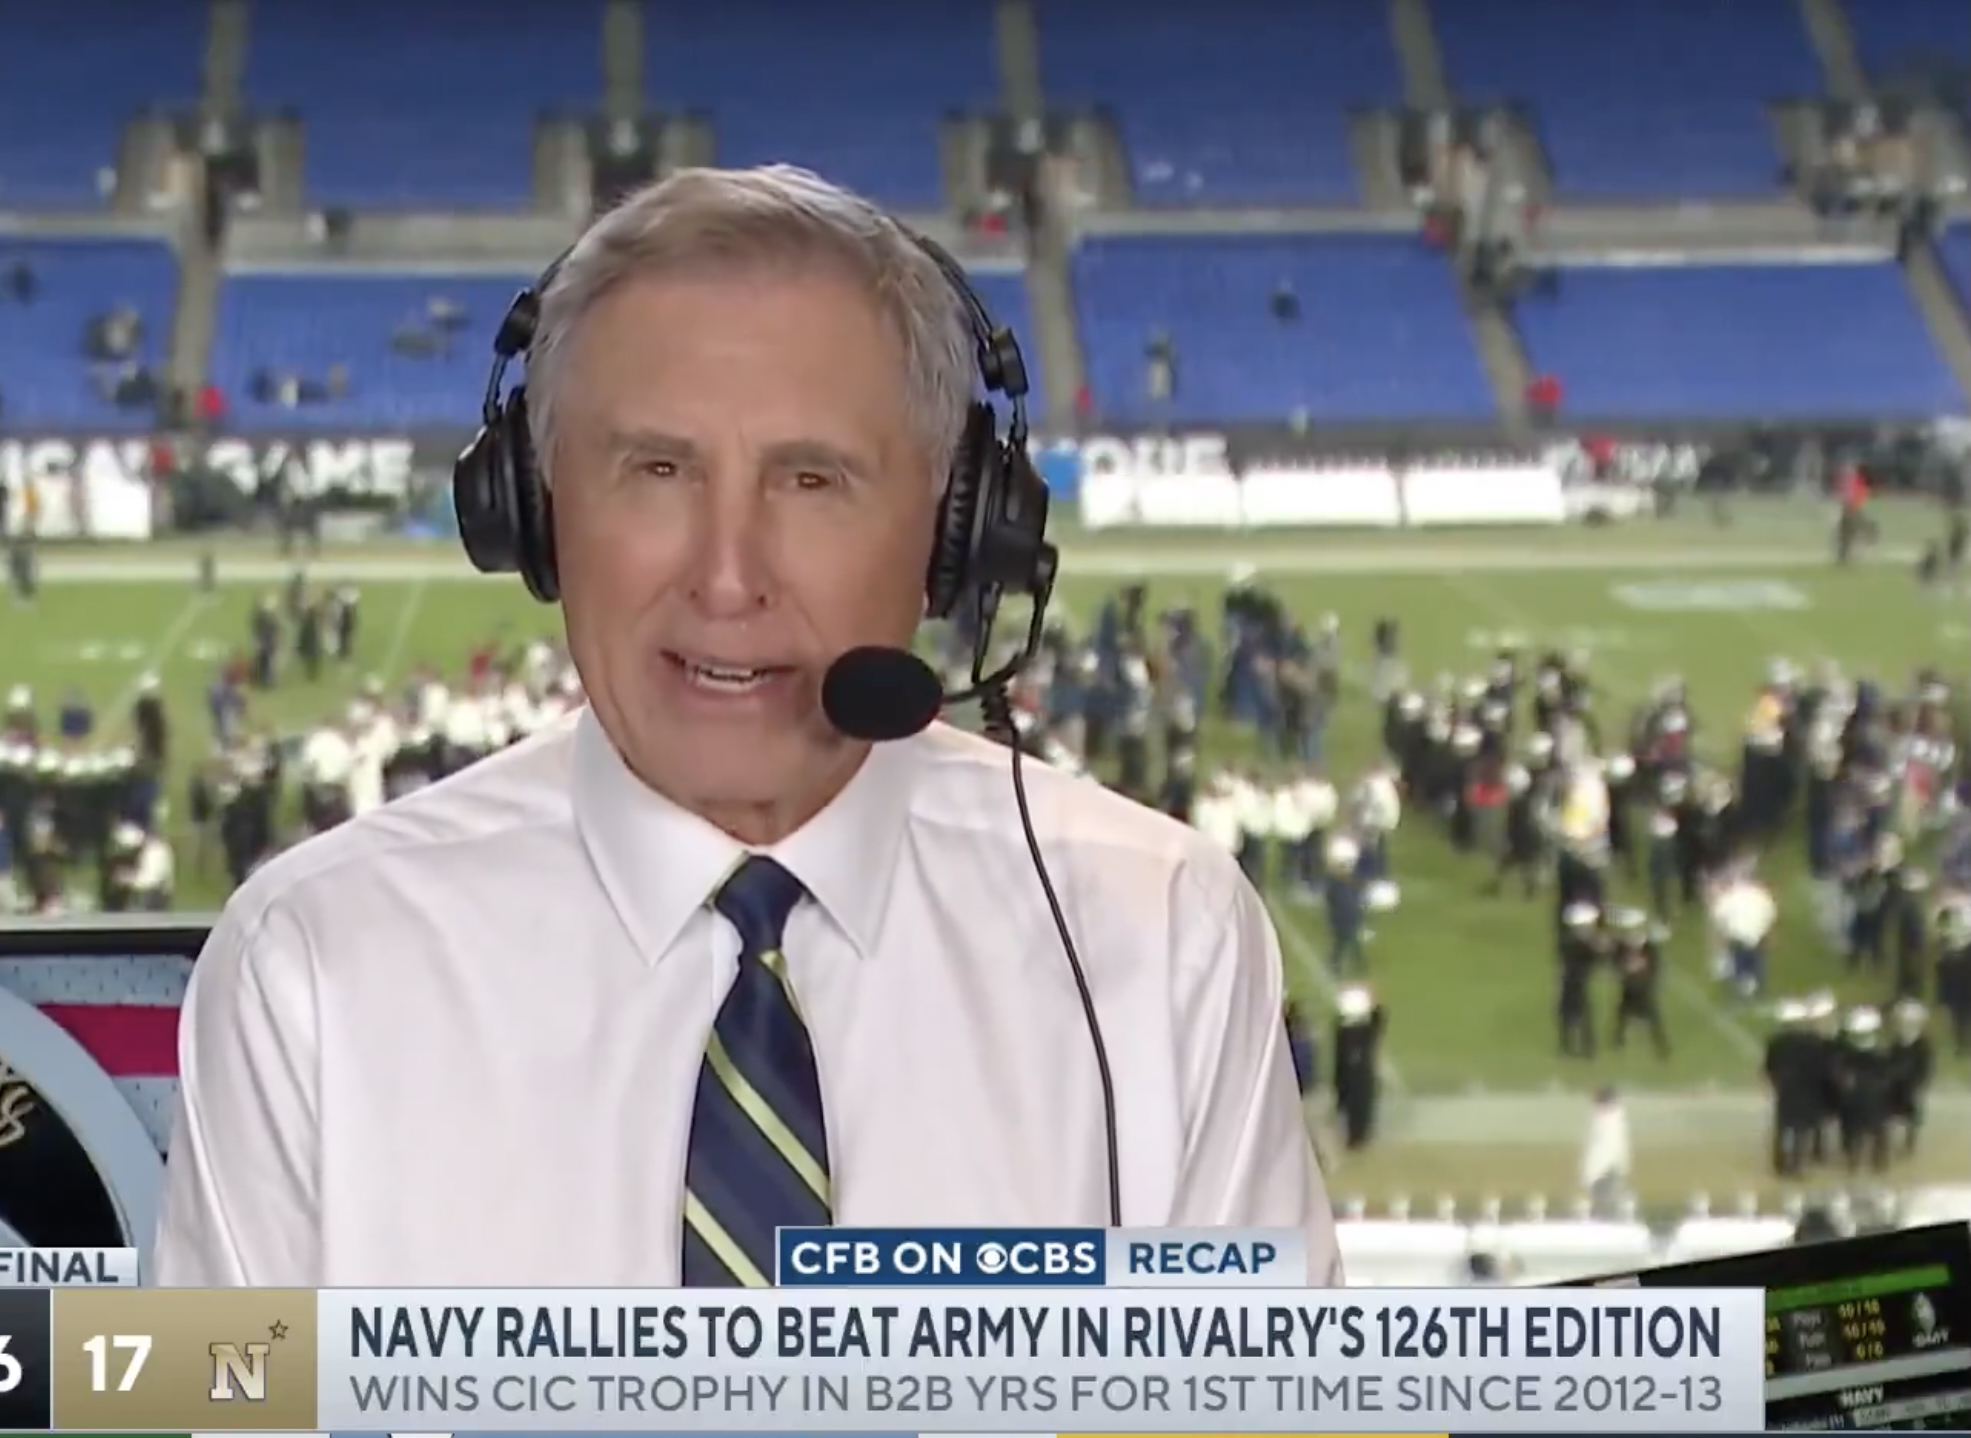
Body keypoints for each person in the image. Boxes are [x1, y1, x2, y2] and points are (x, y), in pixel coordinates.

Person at [154, 165, 1340, 1288]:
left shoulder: (1159, 938)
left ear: (951, 533)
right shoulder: (314, 966)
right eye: (657, 469)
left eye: (811, 480)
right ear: (534, 506)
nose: (728, 577)